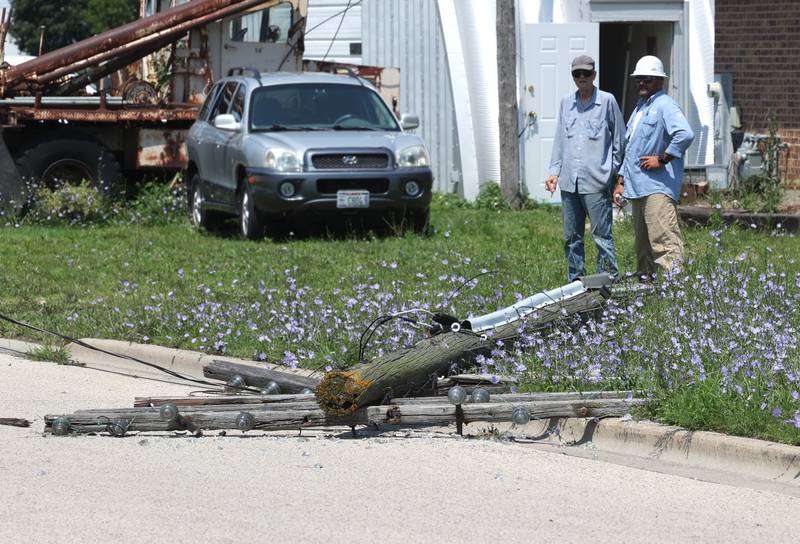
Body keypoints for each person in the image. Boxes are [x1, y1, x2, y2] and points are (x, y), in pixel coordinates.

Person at [612, 55, 694, 279]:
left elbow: (685, 133)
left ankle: (675, 292)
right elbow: (631, 149)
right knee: (643, 247)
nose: (642, 83)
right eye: (639, 79)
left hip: (657, 188)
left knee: (664, 242)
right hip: (637, 187)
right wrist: (621, 182)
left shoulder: (665, 105)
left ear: (660, 81)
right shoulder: (640, 108)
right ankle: (646, 291)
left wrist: (663, 158)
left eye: (647, 79)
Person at [546, 55, 625, 282]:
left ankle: (608, 282)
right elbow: (560, 139)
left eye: (586, 73)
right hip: (570, 181)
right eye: (576, 74)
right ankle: (576, 284)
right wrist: (554, 172)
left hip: (596, 181)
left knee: (601, 236)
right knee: (571, 237)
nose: (581, 78)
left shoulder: (607, 101)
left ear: (594, 75)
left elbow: (620, 141)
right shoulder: (565, 103)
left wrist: (614, 174)